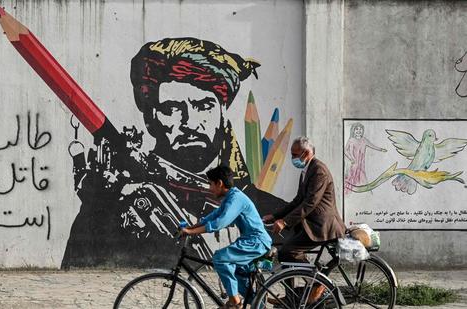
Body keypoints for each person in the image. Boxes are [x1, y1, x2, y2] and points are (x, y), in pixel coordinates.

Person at [62, 38, 282, 268]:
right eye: (172, 108)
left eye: (203, 105)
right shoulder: (116, 206)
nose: (189, 122)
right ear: (151, 118)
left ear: (223, 113)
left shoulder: (269, 209)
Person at [262, 136, 346, 302]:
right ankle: (293, 296)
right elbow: (297, 200)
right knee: (286, 253)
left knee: (288, 251)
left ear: (307, 153)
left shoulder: (319, 170)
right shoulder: (307, 170)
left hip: (322, 226)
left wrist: (285, 222)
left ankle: (317, 283)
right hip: (311, 224)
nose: (293, 159)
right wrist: (275, 216)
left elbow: (310, 203)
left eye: (295, 155)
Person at [182, 165, 272, 309]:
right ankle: (258, 305)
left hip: (256, 241)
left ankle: (234, 302)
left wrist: (191, 232)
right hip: (249, 241)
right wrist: (189, 228)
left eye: (211, 184)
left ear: (219, 183)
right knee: (238, 274)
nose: (210, 188)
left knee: (220, 258)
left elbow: (220, 222)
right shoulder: (230, 198)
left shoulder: (235, 199)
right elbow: (212, 217)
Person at [344, 122, 386, 195]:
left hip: (361, 165)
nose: (359, 131)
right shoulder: (351, 140)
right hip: (353, 164)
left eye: (360, 129)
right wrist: (351, 158)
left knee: (362, 177)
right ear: (353, 130)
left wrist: (381, 149)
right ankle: (350, 193)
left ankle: (367, 194)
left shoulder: (364, 140)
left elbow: (372, 145)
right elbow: (345, 150)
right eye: (357, 129)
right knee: (352, 177)